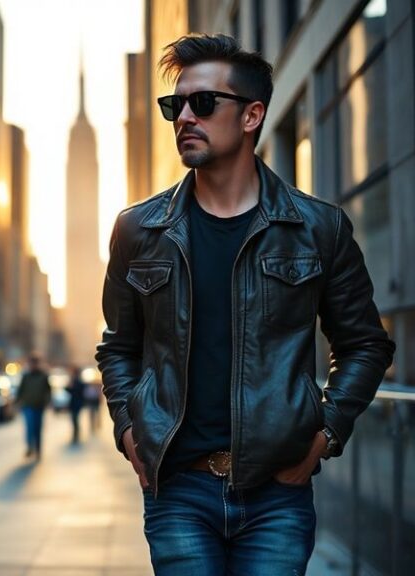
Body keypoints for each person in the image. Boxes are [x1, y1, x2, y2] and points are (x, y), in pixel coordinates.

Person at [95, 34, 395, 576]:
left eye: (203, 103)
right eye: (175, 105)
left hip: (277, 493)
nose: (184, 117)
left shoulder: (317, 228)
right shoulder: (139, 229)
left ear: (253, 115)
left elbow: (365, 345)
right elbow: (119, 347)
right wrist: (127, 430)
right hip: (178, 491)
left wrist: (326, 434)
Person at [15, 353, 51, 459]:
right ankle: (30, 447)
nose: (33, 366)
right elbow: (20, 390)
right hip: (28, 406)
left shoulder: (43, 376)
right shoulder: (25, 376)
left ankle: (38, 450)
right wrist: (17, 402)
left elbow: (48, 391)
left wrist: (47, 402)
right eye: (31, 363)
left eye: (34, 363)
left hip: (39, 406)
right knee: (29, 428)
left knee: (38, 429)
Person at [65, 366, 85, 444]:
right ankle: (76, 435)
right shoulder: (76, 381)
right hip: (75, 403)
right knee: (74, 420)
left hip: (76, 403)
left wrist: (70, 386)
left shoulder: (77, 382)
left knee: (75, 420)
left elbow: (71, 390)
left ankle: (76, 435)